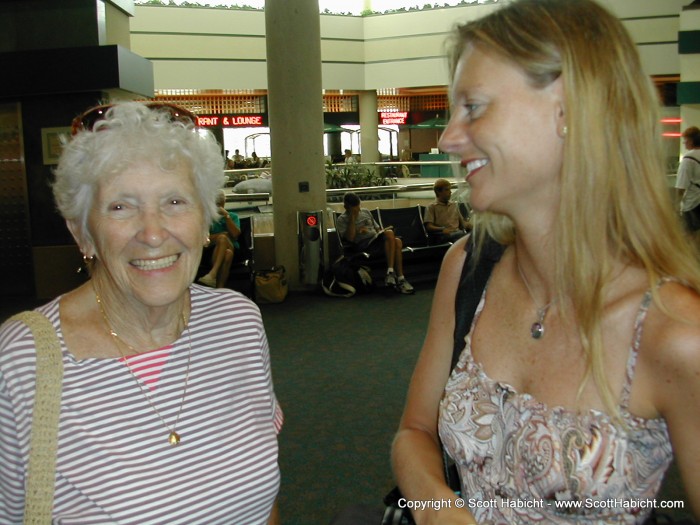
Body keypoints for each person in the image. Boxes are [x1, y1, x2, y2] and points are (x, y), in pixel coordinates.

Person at [392, 1, 700, 524]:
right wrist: (438, 507)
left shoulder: (675, 332)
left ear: (568, 112)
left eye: (474, 107)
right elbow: (414, 432)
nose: (447, 137)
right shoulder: (467, 270)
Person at [0, 102, 282, 524]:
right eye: (120, 206)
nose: (152, 233)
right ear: (82, 232)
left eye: (174, 201)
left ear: (206, 220)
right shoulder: (21, 360)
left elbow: (263, 504)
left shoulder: (239, 323)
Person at [335, 192, 414, 294]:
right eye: (354, 209)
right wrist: (352, 218)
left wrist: (378, 231)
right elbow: (350, 239)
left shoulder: (366, 212)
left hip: (376, 240)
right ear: (346, 207)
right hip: (363, 245)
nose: (358, 210)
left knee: (397, 241)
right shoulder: (342, 219)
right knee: (392, 236)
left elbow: (377, 229)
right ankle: (394, 275)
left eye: (358, 207)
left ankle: (398, 277)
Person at [198, 189, 241, 288]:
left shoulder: (232, 216)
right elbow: (204, 238)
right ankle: (220, 289)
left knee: (223, 239)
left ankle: (212, 274)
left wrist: (226, 216)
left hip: (232, 247)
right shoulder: (208, 218)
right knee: (227, 254)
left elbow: (235, 235)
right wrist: (223, 234)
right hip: (212, 251)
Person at [423, 178, 470, 243]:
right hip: (443, 235)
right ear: (439, 192)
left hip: (457, 233)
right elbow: (429, 226)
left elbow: (462, 223)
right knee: (463, 237)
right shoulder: (432, 207)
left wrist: (472, 226)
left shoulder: (454, 205)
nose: (450, 192)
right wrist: (442, 229)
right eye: (447, 190)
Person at [675, 126, 700, 240]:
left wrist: (675, 205)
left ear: (690, 141)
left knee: (689, 237)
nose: (684, 143)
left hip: (693, 202)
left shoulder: (688, 159)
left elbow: (681, 186)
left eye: (685, 140)